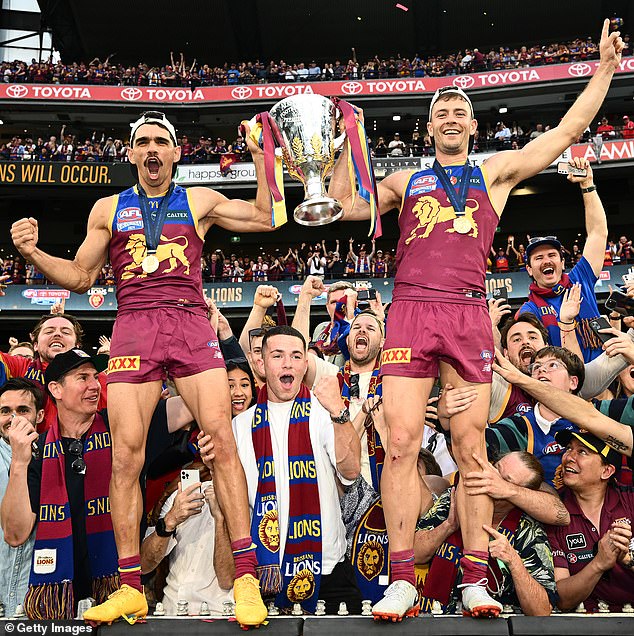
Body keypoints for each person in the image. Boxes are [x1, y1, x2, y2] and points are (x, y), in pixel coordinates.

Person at [327, 21, 624, 619]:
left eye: (462, 110)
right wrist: (341, 144)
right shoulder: (404, 179)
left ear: (474, 125)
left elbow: (567, 130)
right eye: (443, 112)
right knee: (403, 442)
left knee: (471, 449)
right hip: (409, 308)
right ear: (430, 126)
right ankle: (404, 578)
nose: (453, 118)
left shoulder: (496, 172)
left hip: (465, 313)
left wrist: (606, 70)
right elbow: (342, 205)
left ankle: (472, 578)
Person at [10, 110, 276, 626]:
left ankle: (245, 577)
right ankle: (130, 585)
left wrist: (263, 157)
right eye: (143, 143)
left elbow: (265, 216)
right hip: (133, 322)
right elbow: (83, 277)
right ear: (130, 154)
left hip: (188, 318)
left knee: (220, 439)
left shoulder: (199, 200)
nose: (152, 150)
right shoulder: (108, 208)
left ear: (176, 153)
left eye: (161, 142)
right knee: (126, 457)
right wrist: (32, 251)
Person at [0, 349, 197, 619]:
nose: (94, 385)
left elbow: (193, 403)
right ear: (56, 389)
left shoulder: (125, 428)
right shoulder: (37, 450)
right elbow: (14, 534)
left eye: (95, 377)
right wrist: (19, 464)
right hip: (58, 605)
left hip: (119, 598)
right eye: (82, 378)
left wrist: (196, 348)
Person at [200, 326, 363, 614]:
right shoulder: (237, 426)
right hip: (264, 575)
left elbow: (350, 473)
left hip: (328, 570)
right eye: (278, 355)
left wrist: (339, 413)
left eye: (296, 356)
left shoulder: (324, 410)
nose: (288, 363)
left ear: (304, 364)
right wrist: (212, 461)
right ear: (261, 364)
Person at [417, 452, 556, 615]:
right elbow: (416, 553)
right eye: (496, 468)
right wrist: (448, 526)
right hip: (437, 620)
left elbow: (542, 610)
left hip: (493, 626)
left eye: (505, 480)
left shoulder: (527, 529)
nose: (492, 478)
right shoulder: (455, 498)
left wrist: (513, 560)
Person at [517, 163, 607, 363]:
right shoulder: (528, 310)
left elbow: (597, 234)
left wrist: (588, 185)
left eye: (552, 255)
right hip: (562, 382)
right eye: (538, 258)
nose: (547, 261)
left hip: (604, 375)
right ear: (530, 270)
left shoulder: (580, 278)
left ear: (562, 262)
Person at [545, 430, 634, 612]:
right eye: (569, 449)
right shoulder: (553, 512)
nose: (569, 457)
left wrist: (628, 558)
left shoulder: (631, 500)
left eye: (582, 452)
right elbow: (560, 598)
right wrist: (599, 564)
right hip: (583, 625)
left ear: (607, 471)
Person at [140, 466, 234, 616]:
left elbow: (227, 580)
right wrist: (170, 520)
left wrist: (220, 519)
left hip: (218, 614)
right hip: (172, 610)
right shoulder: (182, 495)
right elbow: (145, 565)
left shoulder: (244, 500)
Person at [0, 313, 107, 431]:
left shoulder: (96, 379)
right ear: (35, 345)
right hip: (30, 447)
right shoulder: (19, 367)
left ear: (77, 346)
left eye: (66, 332)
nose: (57, 334)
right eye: (49, 331)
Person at [0, 379, 44, 618]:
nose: (13, 418)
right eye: (5, 411)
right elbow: (13, 535)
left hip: (37, 600)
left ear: (40, 415)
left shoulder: (54, 457)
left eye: (23, 410)